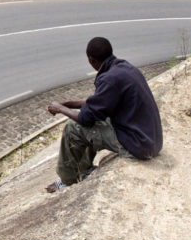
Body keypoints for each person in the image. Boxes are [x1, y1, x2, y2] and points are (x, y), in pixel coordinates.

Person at [44, 37, 163, 193]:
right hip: (151, 140)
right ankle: (84, 167)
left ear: (91, 60)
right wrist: (67, 104)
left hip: (138, 146)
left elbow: (85, 119)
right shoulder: (123, 68)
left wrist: (60, 109)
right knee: (97, 118)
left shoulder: (109, 79)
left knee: (73, 127)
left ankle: (67, 180)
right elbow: (97, 103)